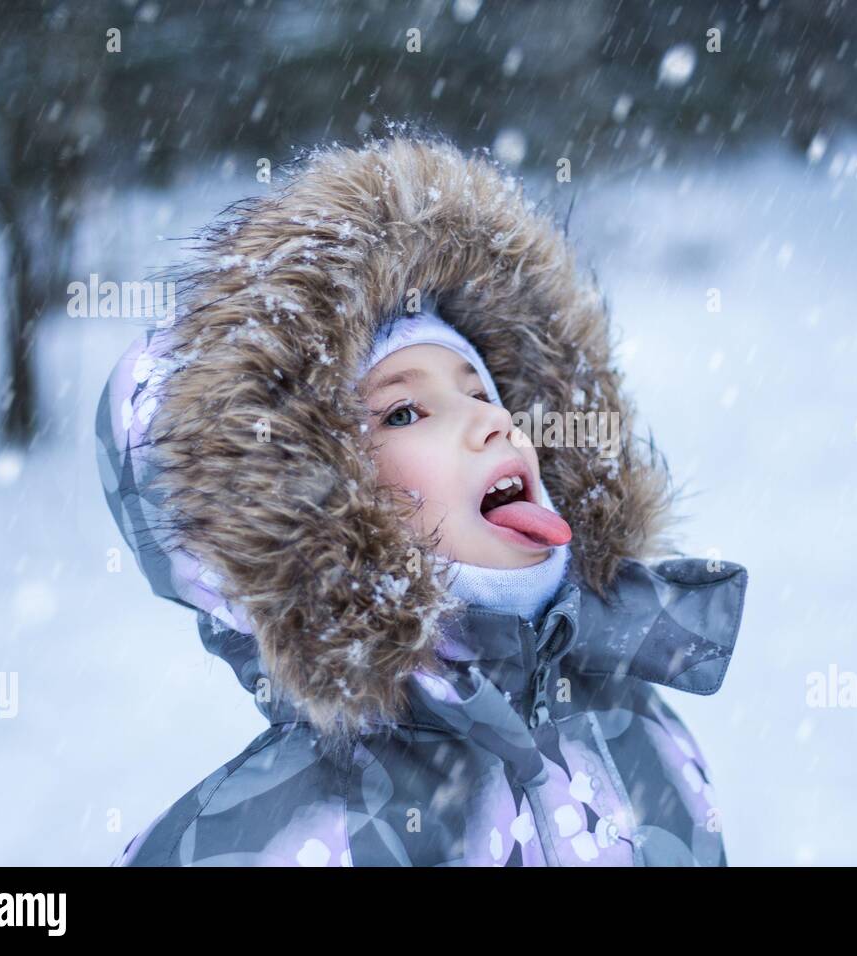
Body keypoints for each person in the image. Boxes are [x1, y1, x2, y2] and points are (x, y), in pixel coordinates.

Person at [95, 131, 748, 866]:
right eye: (406, 412)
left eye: (483, 391)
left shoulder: (641, 728)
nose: (493, 420)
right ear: (324, 494)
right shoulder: (268, 838)